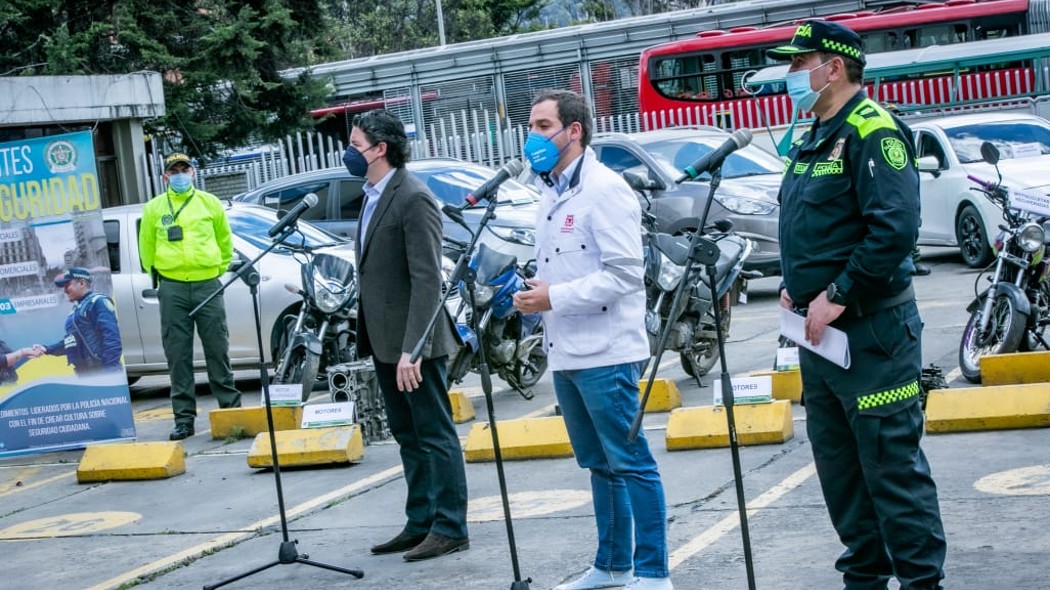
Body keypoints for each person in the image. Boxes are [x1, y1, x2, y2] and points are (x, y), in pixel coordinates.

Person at [768, 20, 947, 590]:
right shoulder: (812, 134)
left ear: (834, 68)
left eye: (801, 63)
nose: (793, 74)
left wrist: (838, 294)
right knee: (841, 474)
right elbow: (812, 226)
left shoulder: (874, 130)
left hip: (873, 334)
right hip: (819, 339)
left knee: (891, 471)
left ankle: (922, 583)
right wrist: (796, 286)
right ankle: (864, 579)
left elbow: (894, 230)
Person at [513, 89, 673, 590]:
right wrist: (536, 296)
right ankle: (611, 565)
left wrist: (554, 297)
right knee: (598, 464)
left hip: (608, 350)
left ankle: (653, 573)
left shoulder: (605, 188)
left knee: (631, 463)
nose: (532, 136)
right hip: (565, 349)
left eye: (542, 126)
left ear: (573, 130)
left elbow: (626, 274)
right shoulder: (549, 191)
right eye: (533, 126)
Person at [346, 109, 469, 562]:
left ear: (381, 149)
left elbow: (427, 280)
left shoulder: (412, 197)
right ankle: (421, 521)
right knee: (406, 434)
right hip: (383, 340)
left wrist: (412, 348)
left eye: (357, 146)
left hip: (414, 344)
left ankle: (450, 526)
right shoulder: (373, 194)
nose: (350, 153)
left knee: (434, 433)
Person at [139, 152, 241, 441]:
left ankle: (230, 412)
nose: (180, 174)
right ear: (165, 177)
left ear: (193, 173)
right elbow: (146, 247)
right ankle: (184, 419)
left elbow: (225, 241)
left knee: (217, 348)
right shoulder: (154, 208)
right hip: (172, 287)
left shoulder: (210, 203)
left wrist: (215, 270)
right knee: (178, 354)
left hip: (207, 284)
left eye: (185, 169)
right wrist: (160, 275)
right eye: (175, 171)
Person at [39, 268, 123, 375]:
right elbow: (72, 342)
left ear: (82, 283)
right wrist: (46, 349)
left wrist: (111, 371)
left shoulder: (97, 302)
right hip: (85, 375)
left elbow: (112, 338)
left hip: (101, 371)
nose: (64, 290)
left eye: (67, 285)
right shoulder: (76, 310)